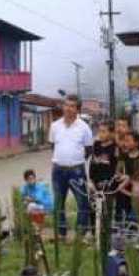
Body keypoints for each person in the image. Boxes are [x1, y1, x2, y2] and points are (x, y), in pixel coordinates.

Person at [49, 94, 93, 238]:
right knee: (58, 203)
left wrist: (74, 160)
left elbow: (88, 150)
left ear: (77, 109)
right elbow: (53, 145)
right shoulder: (54, 126)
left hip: (77, 171)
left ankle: (80, 234)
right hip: (58, 170)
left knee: (82, 203)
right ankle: (61, 234)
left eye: (72, 106)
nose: (68, 108)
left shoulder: (84, 127)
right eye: (66, 105)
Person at [116, 131, 139, 223]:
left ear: (136, 143)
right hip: (125, 188)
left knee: (137, 216)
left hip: (138, 189)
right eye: (125, 141)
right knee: (123, 214)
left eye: (128, 141)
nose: (125, 144)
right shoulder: (123, 155)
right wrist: (123, 176)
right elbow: (118, 171)